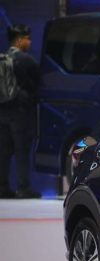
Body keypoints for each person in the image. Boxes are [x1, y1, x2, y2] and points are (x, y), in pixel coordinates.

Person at [0, 24, 40, 199]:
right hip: (20, 112)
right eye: (27, 39)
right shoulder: (26, 60)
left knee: (4, 151)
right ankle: (23, 187)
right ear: (19, 40)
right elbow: (37, 85)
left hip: (2, 111)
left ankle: (3, 187)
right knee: (22, 150)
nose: (29, 42)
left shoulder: (3, 58)